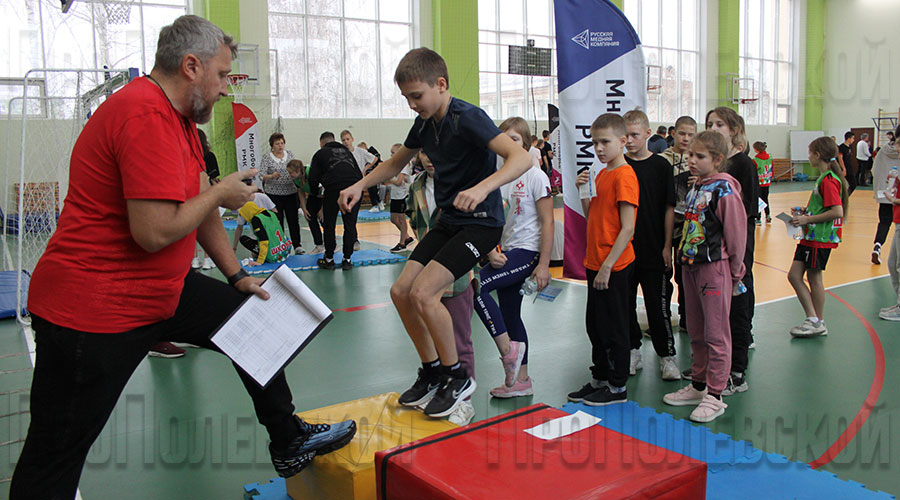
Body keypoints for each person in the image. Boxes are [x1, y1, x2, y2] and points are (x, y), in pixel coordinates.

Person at [10, 16, 356, 498]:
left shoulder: (182, 125)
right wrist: (218, 195)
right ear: (191, 66)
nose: (224, 90)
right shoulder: (143, 113)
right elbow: (153, 232)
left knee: (254, 327)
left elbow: (198, 204)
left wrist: (236, 275)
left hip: (161, 292)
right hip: (92, 310)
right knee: (56, 452)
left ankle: (288, 438)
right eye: (221, 76)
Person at [338, 47, 532, 418]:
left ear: (440, 85)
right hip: (451, 220)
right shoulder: (426, 124)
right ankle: (431, 371)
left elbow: (522, 158)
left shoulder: (467, 117)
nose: (412, 104)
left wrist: (483, 188)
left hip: (482, 224)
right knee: (400, 292)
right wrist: (358, 185)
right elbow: (396, 162)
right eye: (406, 98)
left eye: (417, 96)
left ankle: (456, 376)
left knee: (426, 293)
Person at [662, 131, 747, 424]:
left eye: (700, 157)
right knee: (695, 330)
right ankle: (699, 385)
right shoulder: (697, 187)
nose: (692, 161)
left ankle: (716, 393)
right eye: (690, 156)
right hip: (690, 266)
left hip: (715, 268)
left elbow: (736, 234)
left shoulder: (724, 190)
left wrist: (736, 270)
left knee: (716, 333)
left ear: (718, 159)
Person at [473, 117, 553, 398]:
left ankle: (508, 350)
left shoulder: (535, 175)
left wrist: (543, 264)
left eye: (515, 139)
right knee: (510, 315)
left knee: (478, 287)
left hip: (527, 252)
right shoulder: (500, 178)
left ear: (528, 144)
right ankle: (522, 381)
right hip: (505, 252)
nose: (509, 144)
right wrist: (491, 251)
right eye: (503, 139)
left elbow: (547, 222)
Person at [567, 113, 638, 406]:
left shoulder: (624, 175)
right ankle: (600, 377)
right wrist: (582, 189)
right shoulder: (602, 173)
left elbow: (628, 227)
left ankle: (617, 386)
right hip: (595, 262)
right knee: (595, 325)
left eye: (605, 142)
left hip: (615, 266)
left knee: (615, 327)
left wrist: (608, 266)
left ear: (622, 141)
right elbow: (592, 215)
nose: (598, 148)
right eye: (595, 142)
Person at [406, 150, 478, 425]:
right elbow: (415, 221)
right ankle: (439, 387)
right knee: (433, 337)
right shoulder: (417, 185)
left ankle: (464, 401)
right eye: (424, 152)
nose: (430, 157)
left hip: (457, 271)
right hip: (427, 271)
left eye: (434, 151)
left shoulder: (464, 182)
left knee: (460, 339)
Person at [621, 109, 680, 381]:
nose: (630, 140)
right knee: (625, 304)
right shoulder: (618, 165)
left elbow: (669, 208)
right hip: (624, 250)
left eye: (635, 135)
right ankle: (633, 350)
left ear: (647, 133)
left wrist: (667, 245)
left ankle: (667, 356)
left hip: (654, 248)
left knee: (658, 306)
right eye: (626, 135)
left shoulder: (661, 166)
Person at [706, 107, 757, 395]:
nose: (714, 128)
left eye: (720, 124)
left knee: (737, 306)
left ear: (734, 130)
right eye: (710, 124)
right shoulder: (718, 165)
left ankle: (737, 371)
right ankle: (716, 366)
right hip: (714, 252)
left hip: (736, 249)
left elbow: (745, 213)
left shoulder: (742, 165)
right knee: (718, 311)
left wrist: (737, 255)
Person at [787, 137, 849, 337]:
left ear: (818, 154)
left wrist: (806, 220)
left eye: (809, 152)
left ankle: (815, 320)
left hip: (818, 238)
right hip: (811, 237)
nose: (808, 156)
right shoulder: (824, 178)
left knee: (811, 278)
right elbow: (823, 207)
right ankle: (815, 320)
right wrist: (806, 211)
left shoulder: (829, 180)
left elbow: (837, 211)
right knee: (798, 276)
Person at [309, 131, 363, 270]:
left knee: (329, 225)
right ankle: (347, 259)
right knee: (350, 225)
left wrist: (315, 195)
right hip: (353, 188)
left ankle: (329, 258)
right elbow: (358, 173)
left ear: (322, 144)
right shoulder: (347, 152)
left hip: (333, 189)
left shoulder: (320, 154)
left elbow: (313, 178)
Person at [662, 116, 697, 333]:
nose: (685, 138)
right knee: (663, 274)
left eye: (690, 134)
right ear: (674, 132)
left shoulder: (698, 160)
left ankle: (687, 318)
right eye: (682, 133)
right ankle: (663, 317)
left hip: (689, 229)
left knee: (686, 275)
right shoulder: (662, 159)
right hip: (665, 226)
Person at [260, 132, 304, 254]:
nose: (280, 145)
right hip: (273, 195)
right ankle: (281, 246)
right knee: (277, 221)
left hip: (291, 193)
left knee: (293, 220)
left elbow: (296, 169)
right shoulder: (267, 157)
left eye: (282, 143)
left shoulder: (290, 155)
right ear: (272, 145)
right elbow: (261, 175)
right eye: (277, 143)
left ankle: (297, 245)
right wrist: (271, 176)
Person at [869, 128, 899, 265]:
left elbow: (875, 170)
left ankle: (878, 245)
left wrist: (880, 187)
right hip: (897, 195)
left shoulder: (882, 151)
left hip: (884, 193)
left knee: (884, 222)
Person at [235, 199, 292, 266]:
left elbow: (264, 240)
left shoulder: (256, 219)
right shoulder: (271, 213)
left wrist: (260, 261)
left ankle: (262, 254)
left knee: (244, 239)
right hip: (284, 250)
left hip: (273, 255)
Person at [286, 159, 325, 254]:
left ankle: (332, 244)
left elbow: (325, 190)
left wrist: (322, 209)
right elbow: (301, 192)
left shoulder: (311, 174)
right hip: (313, 195)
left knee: (324, 219)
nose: (289, 175)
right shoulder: (296, 179)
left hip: (325, 195)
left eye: (291, 173)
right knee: (310, 217)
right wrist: (304, 208)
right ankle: (319, 245)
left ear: (298, 170)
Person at [340, 130, 381, 212]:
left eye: (347, 139)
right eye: (343, 140)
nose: (346, 142)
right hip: (346, 183)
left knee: (354, 209)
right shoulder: (341, 153)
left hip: (358, 182)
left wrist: (365, 169)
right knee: (347, 209)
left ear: (352, 139)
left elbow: (374, 159)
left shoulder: (360, 151)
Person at [385, 143, 415, 252]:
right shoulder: (394, 165)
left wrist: (388, 179)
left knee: (402, 220)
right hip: (395, 196)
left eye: (393, 153)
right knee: (393, 219)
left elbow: (398, 182)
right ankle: (407, 237)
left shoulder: (404, 166)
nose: (391, 155)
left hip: (401, 196)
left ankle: (402, 243)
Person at [752, 141, 773, 224]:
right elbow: (772, 169)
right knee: (765, 199)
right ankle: (768, 215)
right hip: (767, 182)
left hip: (759, 183)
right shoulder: (770, 158)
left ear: (756, 150)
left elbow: (753, 173)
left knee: (758, 200)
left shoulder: (755, 160)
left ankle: (758, 218)